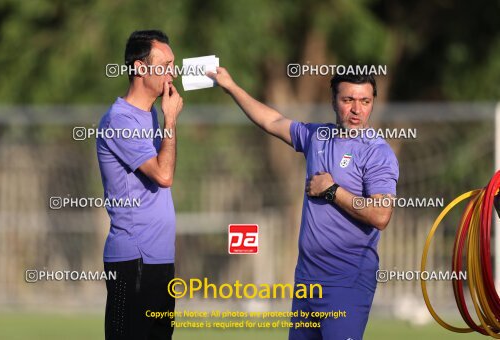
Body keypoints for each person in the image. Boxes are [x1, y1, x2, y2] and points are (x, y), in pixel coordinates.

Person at [208, 68, 399, 340]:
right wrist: (231, 86)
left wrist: (332, 190)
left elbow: (381, 215)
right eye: (348, 100)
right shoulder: (316, 137)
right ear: (333, 101)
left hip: (346, 282)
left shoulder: (378, 153)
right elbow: (272, 121)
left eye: (365, 102)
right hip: (307, 281)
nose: (357, 109)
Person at [96, 30, 183, 340]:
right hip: (134, 261)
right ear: (140, 68)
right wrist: (170, 121)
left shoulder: (148, 117)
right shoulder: (119, 120)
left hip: (160, 261)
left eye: (173, 64)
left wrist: (164, 121)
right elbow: (163, 175)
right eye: (165, 65)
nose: (172, 73)